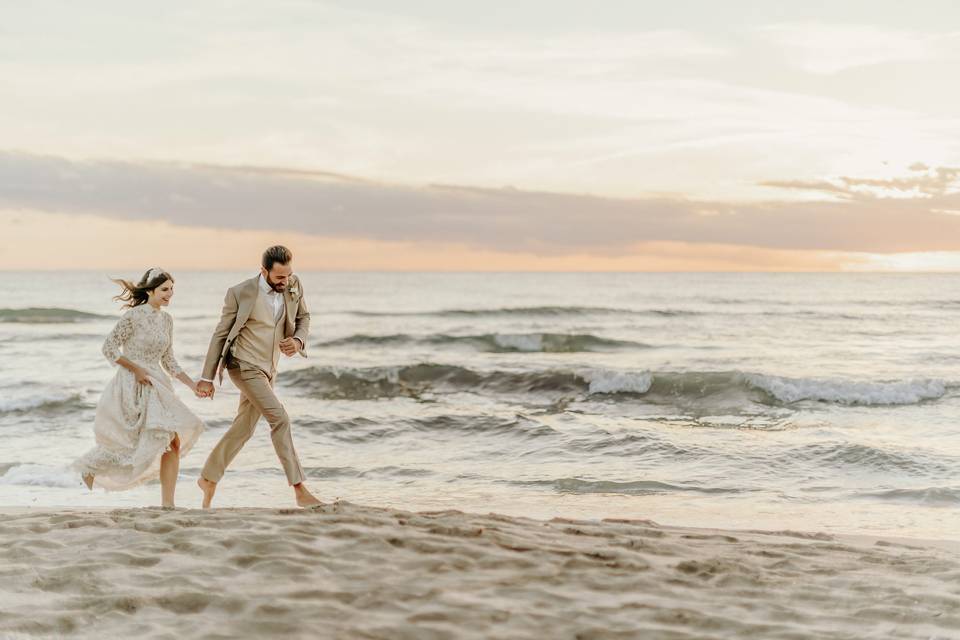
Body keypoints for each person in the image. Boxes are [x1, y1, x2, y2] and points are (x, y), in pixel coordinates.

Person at [195, 246, 321, 508]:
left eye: (288, 276)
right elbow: (221, 334)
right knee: (280, 418)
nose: (285, 282)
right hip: (243, 365)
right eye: (279, 277)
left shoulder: (294, 284)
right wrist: (206, 377)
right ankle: (300, 490)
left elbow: (303, 317)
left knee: (244, 428)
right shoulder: (240, 293)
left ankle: (208, 478)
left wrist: (298, 340)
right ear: (263, 271)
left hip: (268, 369)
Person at [74, 268, 205, 507]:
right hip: (132, 383)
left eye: (172, 289)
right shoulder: (133, 316)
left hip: (157, 384)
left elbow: (169, 360)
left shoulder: (167, 319)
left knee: (171, 441)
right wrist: (136, 369)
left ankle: (168, 505)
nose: (170, 294)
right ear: (150, 290)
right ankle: (89, 470)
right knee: (131, 444)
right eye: (165, 289)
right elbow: (109, 348)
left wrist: (193, 384)